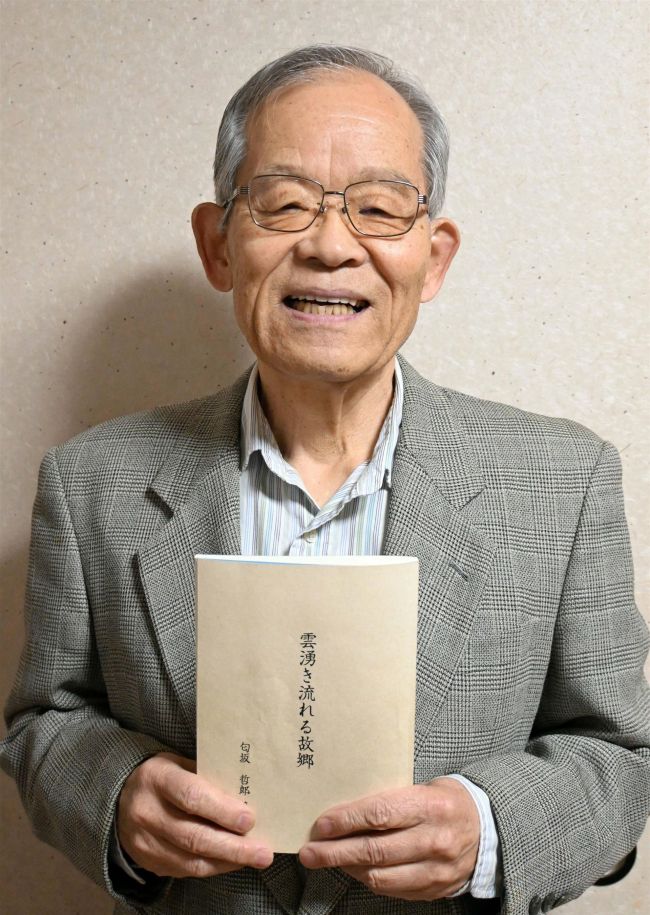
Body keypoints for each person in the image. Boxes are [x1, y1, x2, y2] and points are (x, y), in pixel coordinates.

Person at [1, 44, 648, 915]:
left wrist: (488, 827)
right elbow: (43, 723)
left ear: (435, 257)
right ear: (218, 244)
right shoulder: (91, 483)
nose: (331, 246)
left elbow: (621, 757)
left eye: (379, 207)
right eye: (285, 203)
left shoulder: (563, 482)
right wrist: (117, 795)